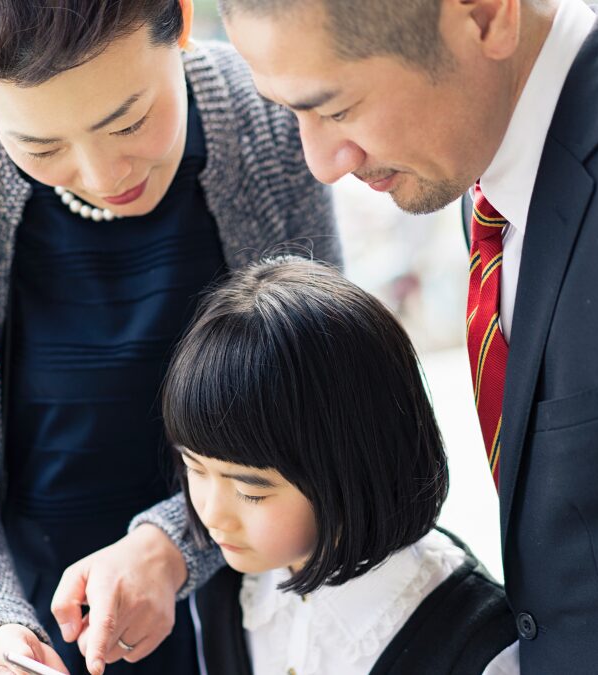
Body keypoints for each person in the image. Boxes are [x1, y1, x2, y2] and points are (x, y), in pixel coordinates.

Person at [55, 0, 598, 672]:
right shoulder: (482, 177)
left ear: (485, 13)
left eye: (335, 106)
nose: (321, 162)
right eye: (291, 111)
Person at [0, 0, 339, 672]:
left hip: (246, 599)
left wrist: (172, 545)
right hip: (21, 611)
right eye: (41, 147)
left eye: (129, 121)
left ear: (179, 21)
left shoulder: (265, 111)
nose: (102, 174)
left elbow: (319, 396)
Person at [159, 257, 519, 674]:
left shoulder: (476, 647)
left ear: (356, 465)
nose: (211, 514)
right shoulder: (231, 587)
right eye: (195, 467)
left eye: (249, 490)